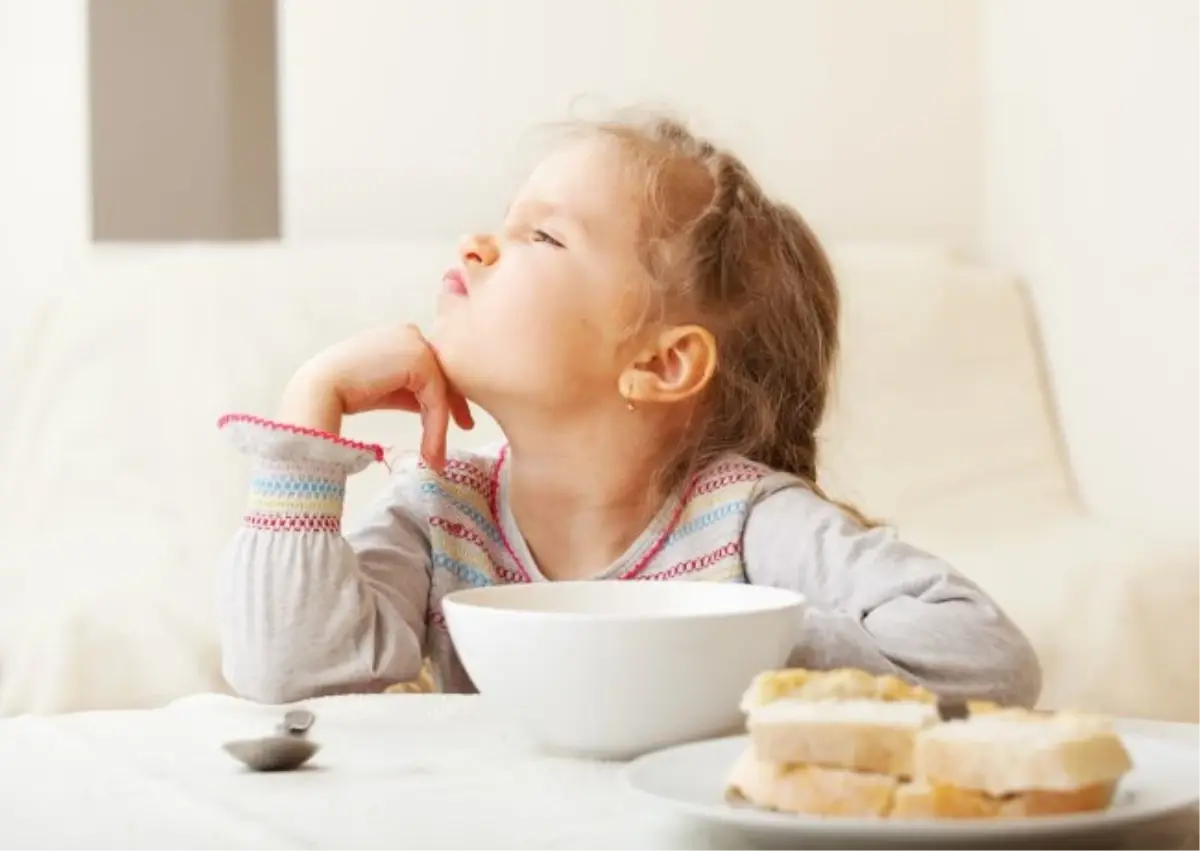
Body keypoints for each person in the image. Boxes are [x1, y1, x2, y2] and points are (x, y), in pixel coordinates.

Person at [216, 115, 1042, 707]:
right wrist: (308, 414)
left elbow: (987, 655)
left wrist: (729, 644)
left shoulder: (742, 521)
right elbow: (290, 674)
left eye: (543, 237)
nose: (474, 244)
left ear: (660, 362)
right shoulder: (439, 514)